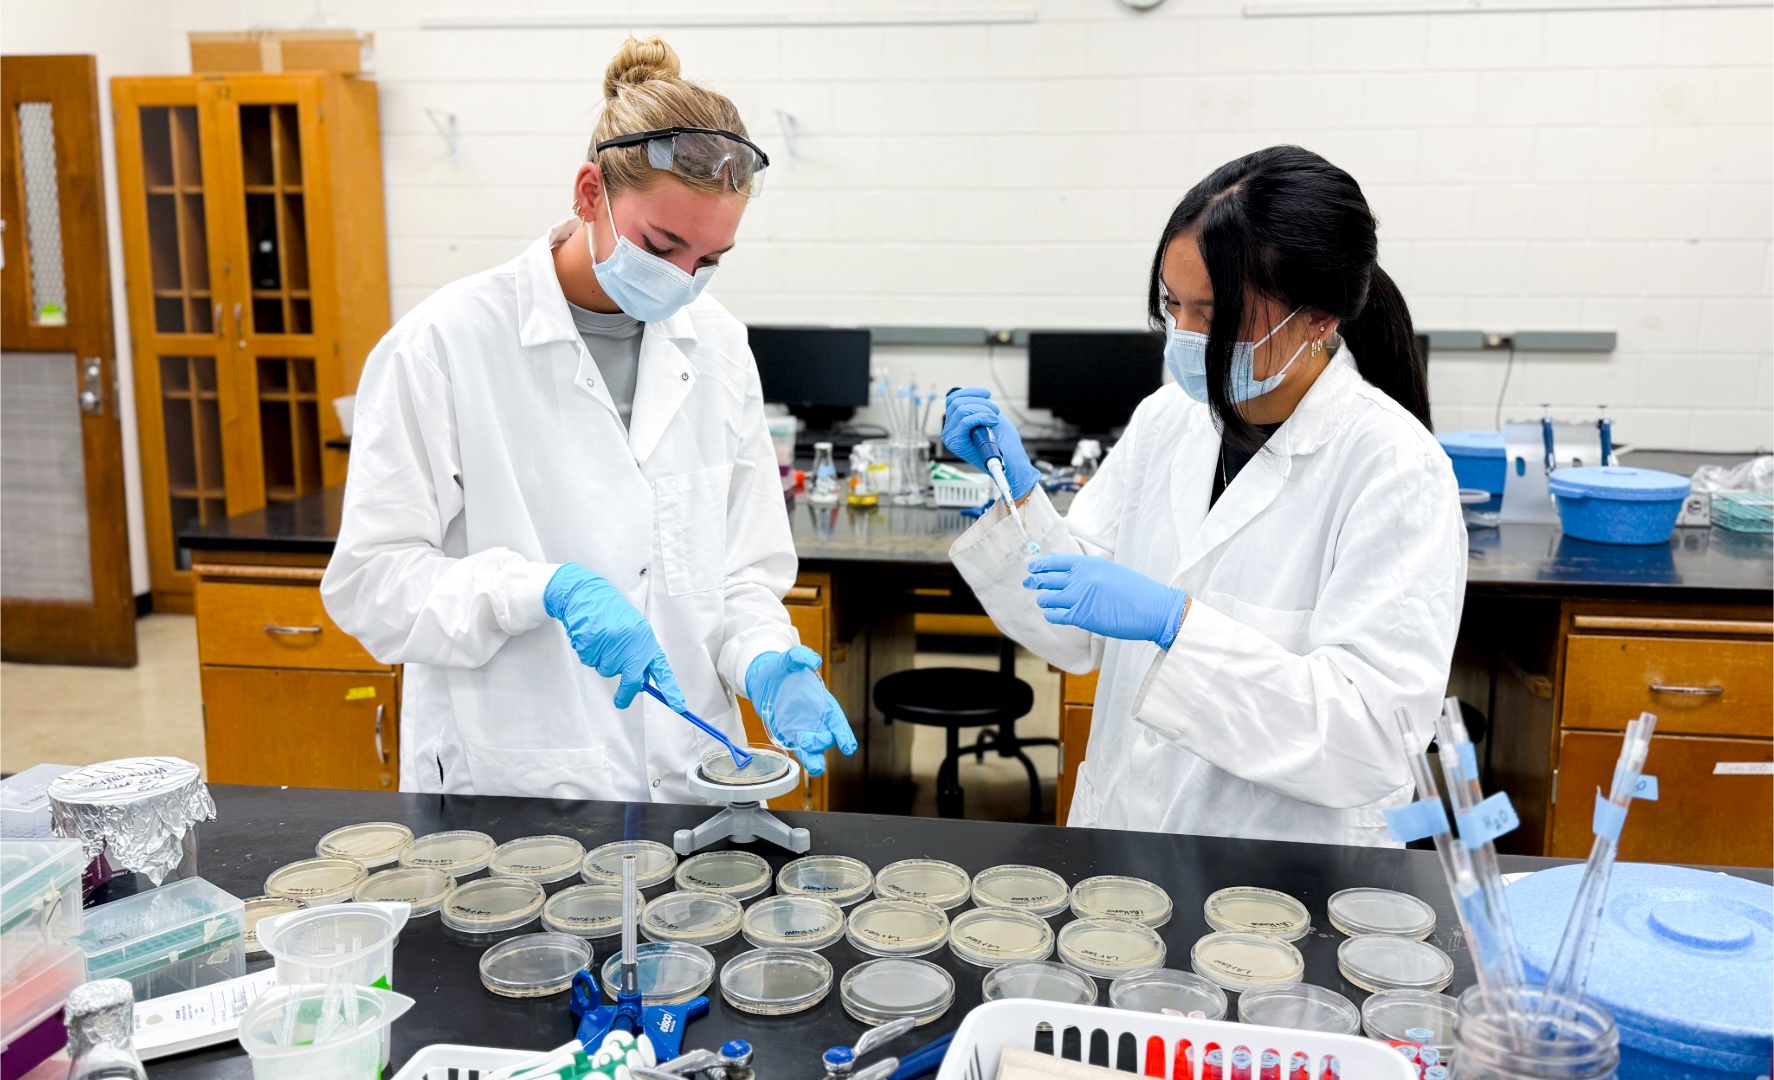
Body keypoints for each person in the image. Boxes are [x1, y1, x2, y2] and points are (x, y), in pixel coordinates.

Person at [321, 37, 856, 800]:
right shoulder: (445, 344)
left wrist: (765, 655)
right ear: (587, 194)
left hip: (688, 771)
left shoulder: (720, 348)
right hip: (518, 778)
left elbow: (740, 573)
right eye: (663, 244)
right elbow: (371, 586)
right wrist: (540, 590)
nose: (682, 282)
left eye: (709, 261)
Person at [945, 146, 1466, 845]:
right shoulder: (1169, 420)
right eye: (1172, 305)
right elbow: (1075, 632)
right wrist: (1021, 494)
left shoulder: (1394, 470)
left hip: (1282, 874)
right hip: (1127, 833)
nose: (1185, 337)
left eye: (1214, 313)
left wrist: (1176, 626)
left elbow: (1371, 739)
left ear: (1319, 318)